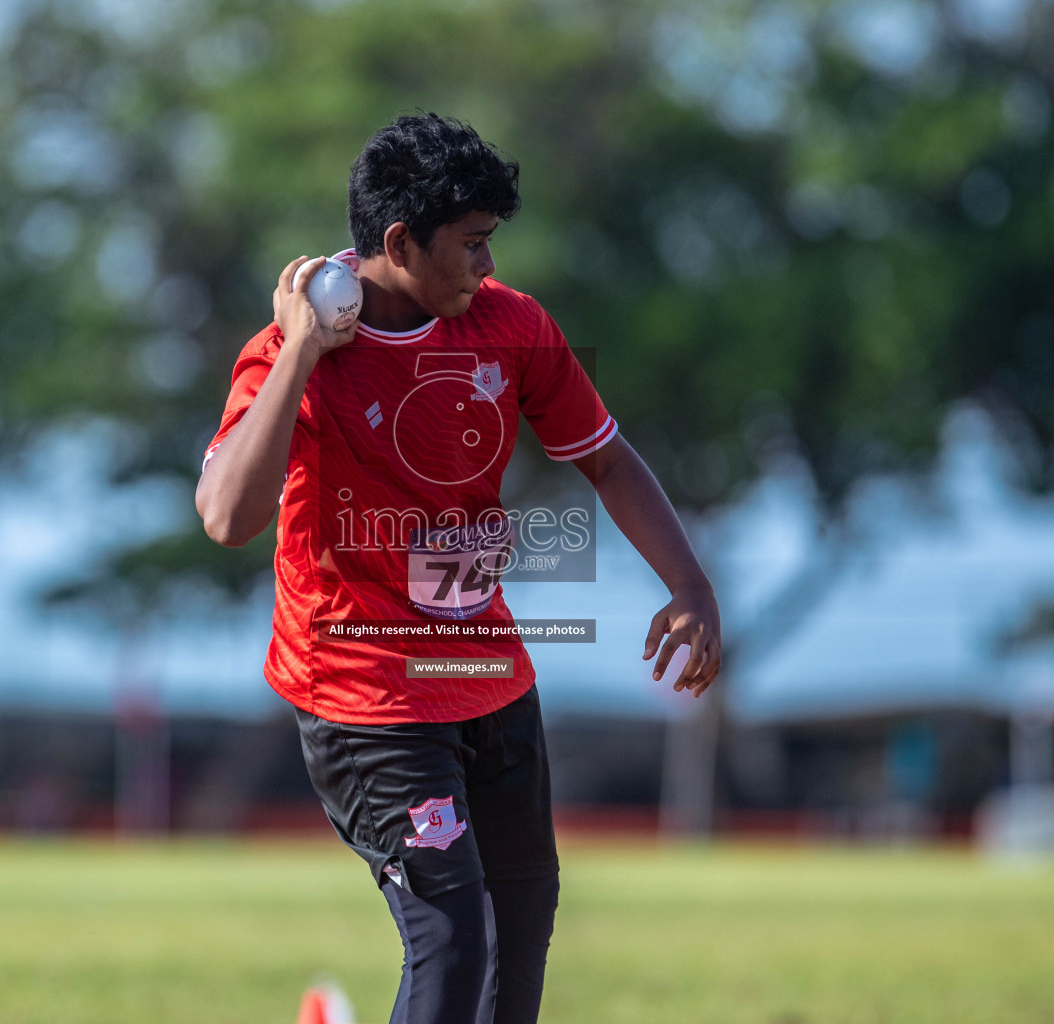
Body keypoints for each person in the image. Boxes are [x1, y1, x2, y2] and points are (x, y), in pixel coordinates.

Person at [195, 113, 721, 1024]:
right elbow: (227, 517)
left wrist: (692, 583)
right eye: (472, 244)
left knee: (517, 938)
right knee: (451, 938)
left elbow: (604, 456)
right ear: (399, 243)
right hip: (363, 696)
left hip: (487, 678)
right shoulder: (294, 355)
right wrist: (299, 353)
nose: (487, 267)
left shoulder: (511, 327)